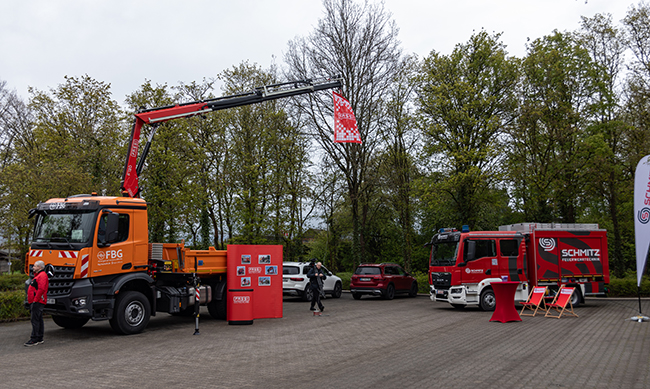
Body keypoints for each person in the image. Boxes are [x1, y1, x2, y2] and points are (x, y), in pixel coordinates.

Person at [25, 260, 48, 347]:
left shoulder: (42, 276)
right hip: (36, 301)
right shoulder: (39, 275)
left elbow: (41, 289)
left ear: (39, 267)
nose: (33, 267)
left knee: (35, 320)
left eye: (34, 266)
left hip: (37, 301)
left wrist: (35, 300)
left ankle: (34, 339)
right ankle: (39, 338)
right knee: (38, 319)